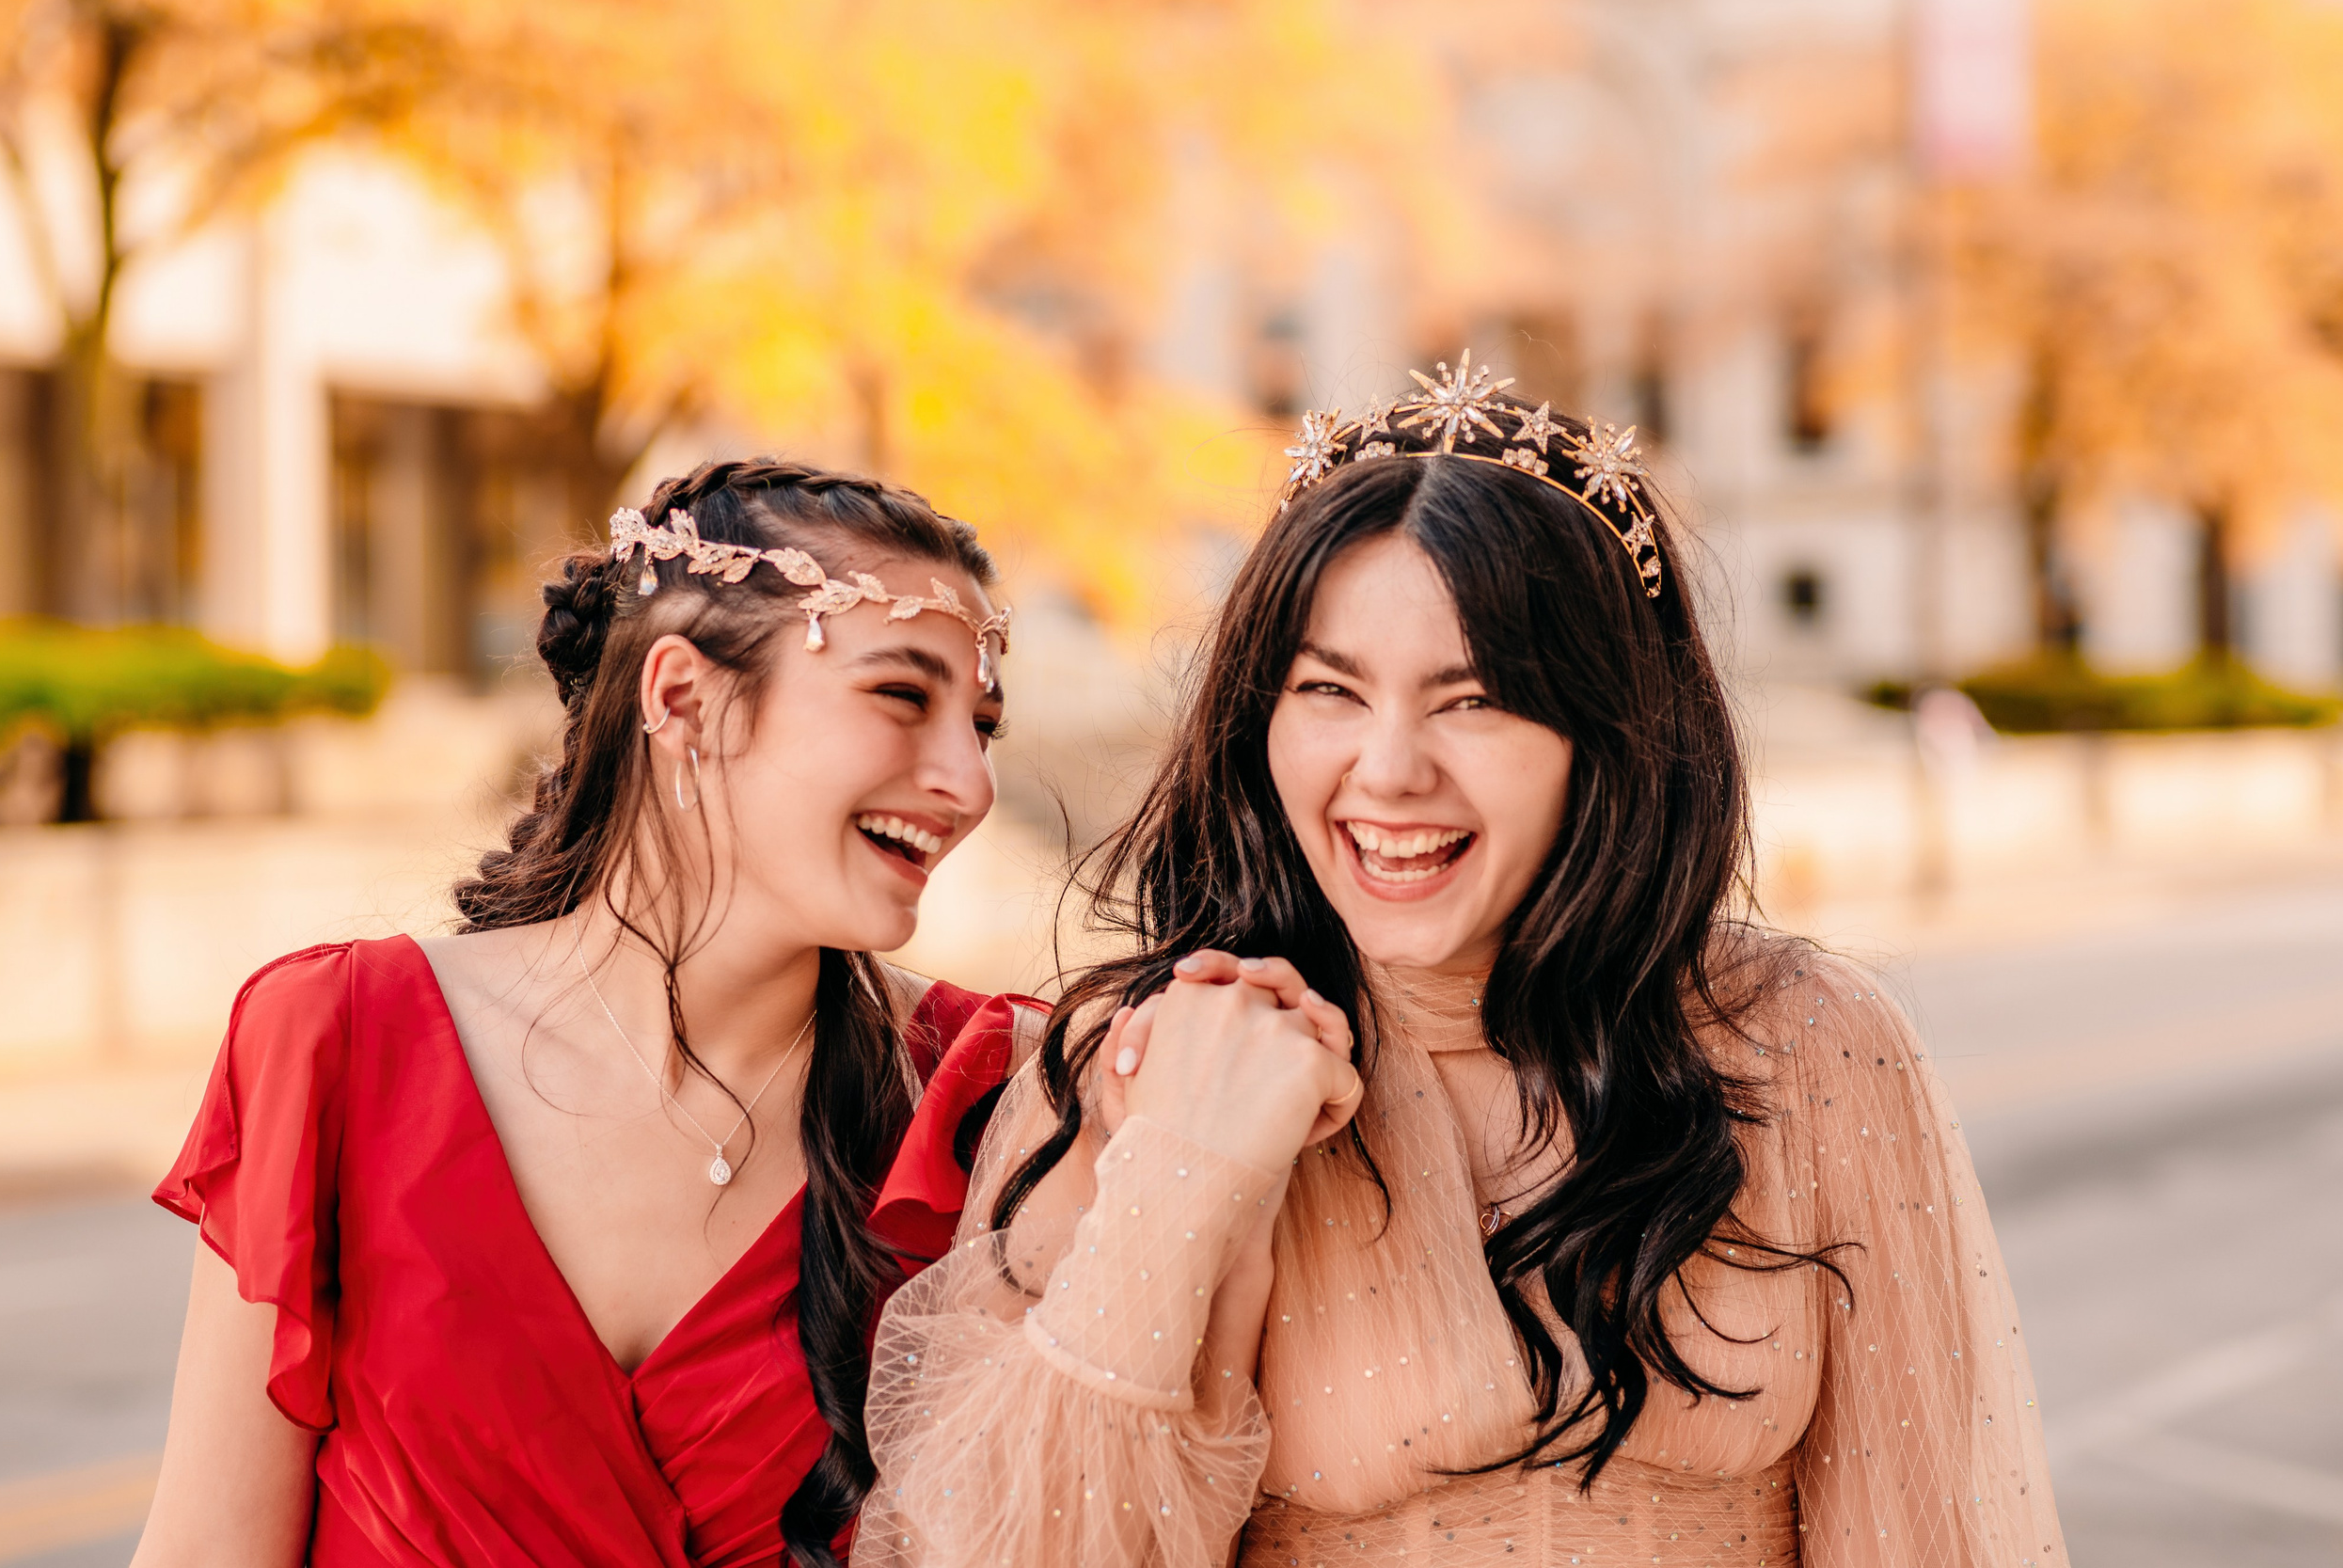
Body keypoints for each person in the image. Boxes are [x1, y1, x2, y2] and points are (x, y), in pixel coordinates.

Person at [860, 359, 2066, 1566]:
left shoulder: (1804, 1036)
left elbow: (1924, 1524)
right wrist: (1189, 1164)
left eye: (1474, 699)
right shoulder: (1140, 1051)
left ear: (1611, 730)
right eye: (1330, 689)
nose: (1389, 770)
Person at [133, 458, 1044, 1568]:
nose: (968, 779)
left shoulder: (995, 1094)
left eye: (983, 724)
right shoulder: (336, 1039)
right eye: (904, 696)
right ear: (681, 698)